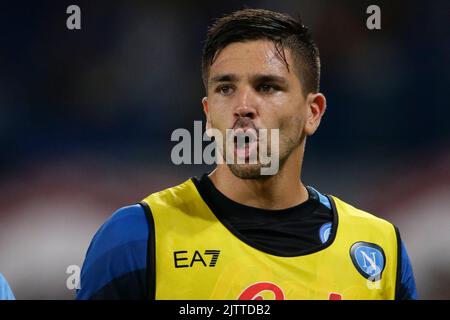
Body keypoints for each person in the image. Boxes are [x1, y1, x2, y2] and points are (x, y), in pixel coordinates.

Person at [77, 8, 417, 300]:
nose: (242, 107)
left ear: (313, 112)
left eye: (267, 87)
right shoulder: (136, 238)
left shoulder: (380, 248)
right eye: (226, 89)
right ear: (209, 114)